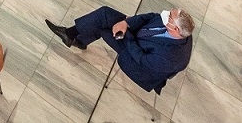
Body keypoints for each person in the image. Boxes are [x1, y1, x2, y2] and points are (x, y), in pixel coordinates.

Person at [46, 7, 194, 93]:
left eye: (169, 16)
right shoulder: (170, 24)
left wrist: (125, 33)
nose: (166, 14)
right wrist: (126, 23)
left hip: (136, 58)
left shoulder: (173, 58)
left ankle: (74, 38)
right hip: (136, 35)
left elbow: (141, 58)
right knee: (104, 14)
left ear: (174, 29)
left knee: (103, 28)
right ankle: (72, 36)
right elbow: (149, 17)